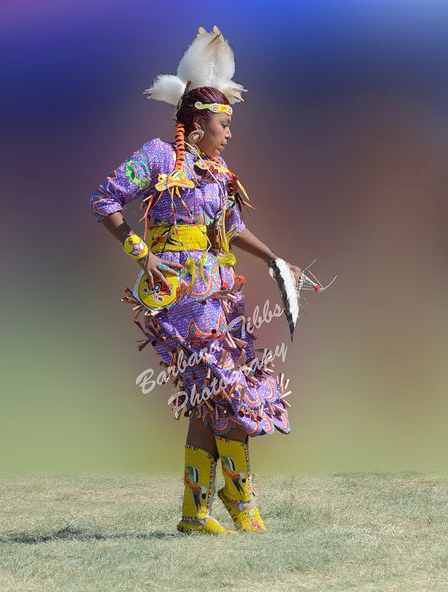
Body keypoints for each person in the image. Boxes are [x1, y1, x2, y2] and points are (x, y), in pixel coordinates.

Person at [88, 26, 302, 535]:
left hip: (220, 298)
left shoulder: (219, 170)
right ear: (200, 122)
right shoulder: (159, 156)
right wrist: (141, 254)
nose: (230, 133)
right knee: (226, 392)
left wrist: (275, 260)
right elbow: (105, 200)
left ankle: (194, 514)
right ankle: (240, 501)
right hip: (181, 300)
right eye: (224, 123)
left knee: (210, 400)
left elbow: (231, 227)